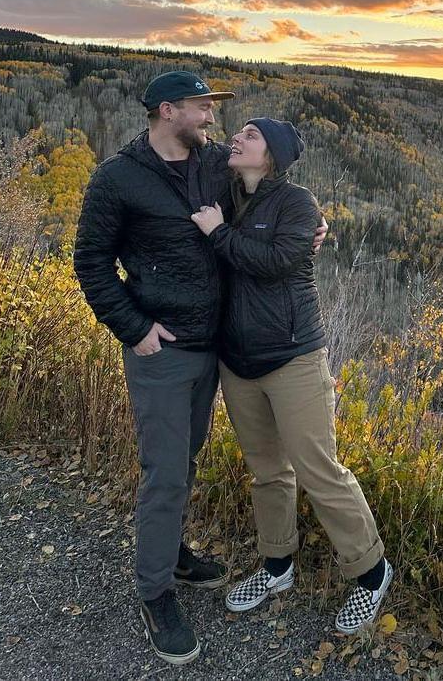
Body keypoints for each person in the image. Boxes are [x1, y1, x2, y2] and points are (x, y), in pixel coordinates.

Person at [73, 73, 326, 665]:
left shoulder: (215, 166)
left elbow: (269, 200)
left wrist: (311, 227)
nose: (211, 119)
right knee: (163, 471)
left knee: (183, 460)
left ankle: (171, 553)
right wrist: (134, 330)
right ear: (168, 111)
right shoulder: (118, 178)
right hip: (161, 351)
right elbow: (90, 263)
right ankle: (155, 592)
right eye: (201, 108)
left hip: (216, 348)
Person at [190, 117, 394, 634]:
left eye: (251, 135)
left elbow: (278, 262)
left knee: (318, 468)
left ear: (273, 155)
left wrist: (218, 233)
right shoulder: (225, 191)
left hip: (293, 358)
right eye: (238, 132)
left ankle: (371, 572)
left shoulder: (297, 203)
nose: (237, 138)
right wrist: (221, 228)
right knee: (267, 472)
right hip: (237, 363)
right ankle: (277, 566)